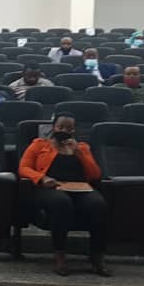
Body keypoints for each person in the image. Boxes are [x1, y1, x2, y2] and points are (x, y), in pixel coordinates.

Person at [18, 113, 110, 277]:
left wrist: (78, 153)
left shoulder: (82, 147)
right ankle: (59, 254)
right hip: (50, 188)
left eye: (69, 128)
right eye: (60, 127)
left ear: (73, 130)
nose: (64, 130)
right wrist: (42, 178)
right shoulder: (39, 144)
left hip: (80, 188)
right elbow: (23, 168)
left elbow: (95, 174)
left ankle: (97, 256)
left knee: (98, 204)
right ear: (53, 127)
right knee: (61, 202)